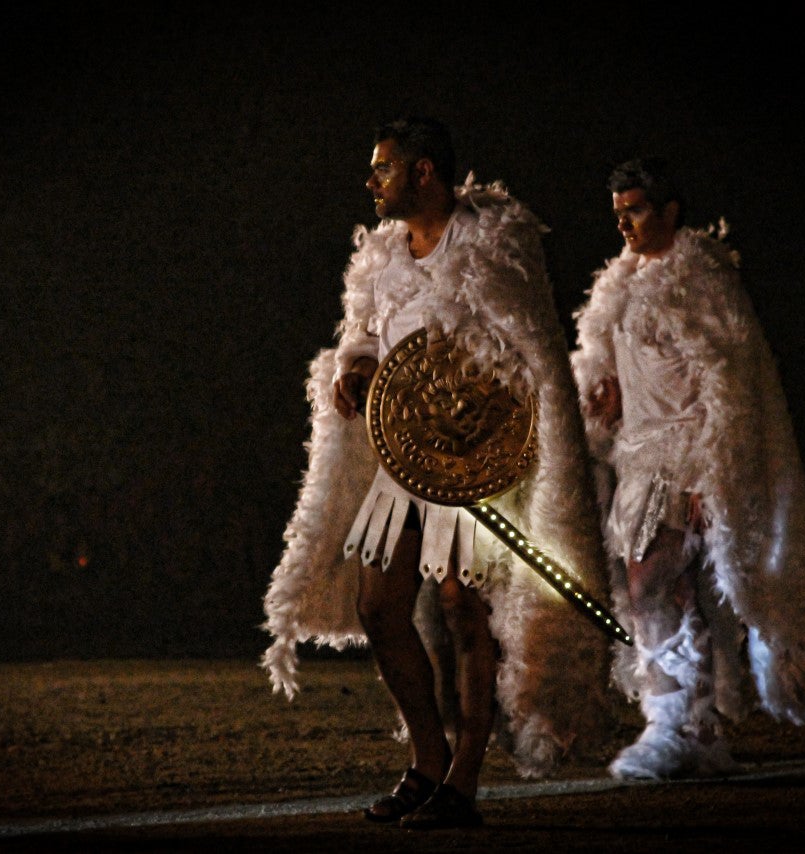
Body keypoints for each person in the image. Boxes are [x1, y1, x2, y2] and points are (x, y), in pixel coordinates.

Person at [262, 118, 610, 828]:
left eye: (383, 168)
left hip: (477, 460)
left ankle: (464, 778)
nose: (371, 182)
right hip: (402, 460)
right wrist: (353, 370)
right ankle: (425, 761)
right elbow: (360, 333)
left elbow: (530, 355)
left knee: (463, 609)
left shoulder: (495, 243)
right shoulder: (380, 255)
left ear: (424, 173)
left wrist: (478, 419)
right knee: (379, 607)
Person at [570, 158, 805, 780]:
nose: (626, 225)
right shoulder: (619, 282)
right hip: (638, 458)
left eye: (637, 210)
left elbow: (726, 387)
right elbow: (623, 371)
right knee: (664, 593)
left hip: (686, 458)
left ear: (670, 211)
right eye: (619, 213)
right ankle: (695, 727)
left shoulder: (701, 281)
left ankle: (672, 725)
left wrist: (708, 474)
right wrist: (606, 395)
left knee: (655, 587)